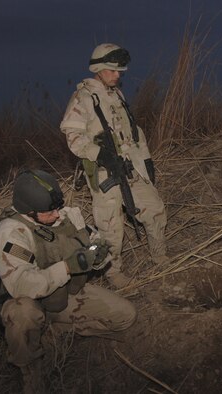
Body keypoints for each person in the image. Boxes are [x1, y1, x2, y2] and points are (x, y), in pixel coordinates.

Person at [0, 169, 137, 393]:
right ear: (29, 212)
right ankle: (30, 371)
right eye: (49, 212)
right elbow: (22, 286)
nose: (57, 215)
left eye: (57, 208)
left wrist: (98, 254)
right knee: (23, 314)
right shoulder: (11, 232)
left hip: (63, 297)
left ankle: (57, 331)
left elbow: (94, 240)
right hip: (28, 303)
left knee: (125, 317)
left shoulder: (64, 215)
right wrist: (69, 266)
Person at [60, 43, 168, 287]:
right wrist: (100, 154)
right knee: (110, 226)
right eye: (113, 71)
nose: (118, 75)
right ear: (98, 69)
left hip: (132, 166)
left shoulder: (116, 95)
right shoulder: (83, 97)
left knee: (155, 209)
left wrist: (147, 159)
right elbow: (73, 138)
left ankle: (159, 255)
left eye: (120, 71)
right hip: (104, 170)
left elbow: (133, 130)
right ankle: (113, 271)